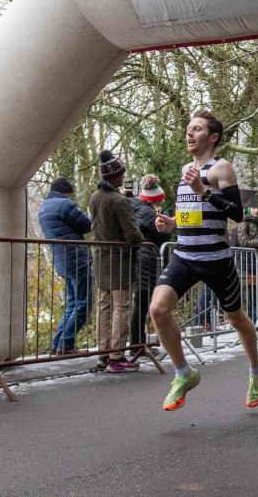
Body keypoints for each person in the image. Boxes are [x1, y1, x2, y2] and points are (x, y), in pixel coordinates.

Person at [150, 111, 258, 411]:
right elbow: (191, 209)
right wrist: (172, 222)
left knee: (236, 319)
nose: (189, 134)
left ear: (212, 137)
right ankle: (183, 374)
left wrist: (204, 191)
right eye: (188, 129)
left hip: (216, 258)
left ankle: (255, 371)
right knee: (158, 309)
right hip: (185, 255)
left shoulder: (221, 168)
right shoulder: (186, 168)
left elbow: (237, 214)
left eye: (197, 129)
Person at [89, 149, 144, 373]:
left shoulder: (94, 197)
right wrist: (142, 239)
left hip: (100, 259)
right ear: (116, 176)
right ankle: (117, 356)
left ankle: (103, 354)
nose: (123, 176)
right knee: (121, 307)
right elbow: (132, 235)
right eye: (121, 173)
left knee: (104, 307)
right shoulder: (120, 201)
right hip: (120, 261)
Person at [38, 177, 92, 356]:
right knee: (83, 303)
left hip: (61, 260)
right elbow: (86, 225)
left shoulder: (44, 208)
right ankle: (67, 344)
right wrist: (93, 215)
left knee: (72, 303)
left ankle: (57, 344)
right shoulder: (65, 205)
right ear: (66, 191)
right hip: (76, 257)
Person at [130, 174, 173, 354]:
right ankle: (137, 344)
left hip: (143, 258)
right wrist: (169, 217)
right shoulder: (147, 213)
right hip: (146, 259)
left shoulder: (134, 206)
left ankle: (139, 342)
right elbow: (164, 235)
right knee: (142, 302)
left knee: (142, 302)